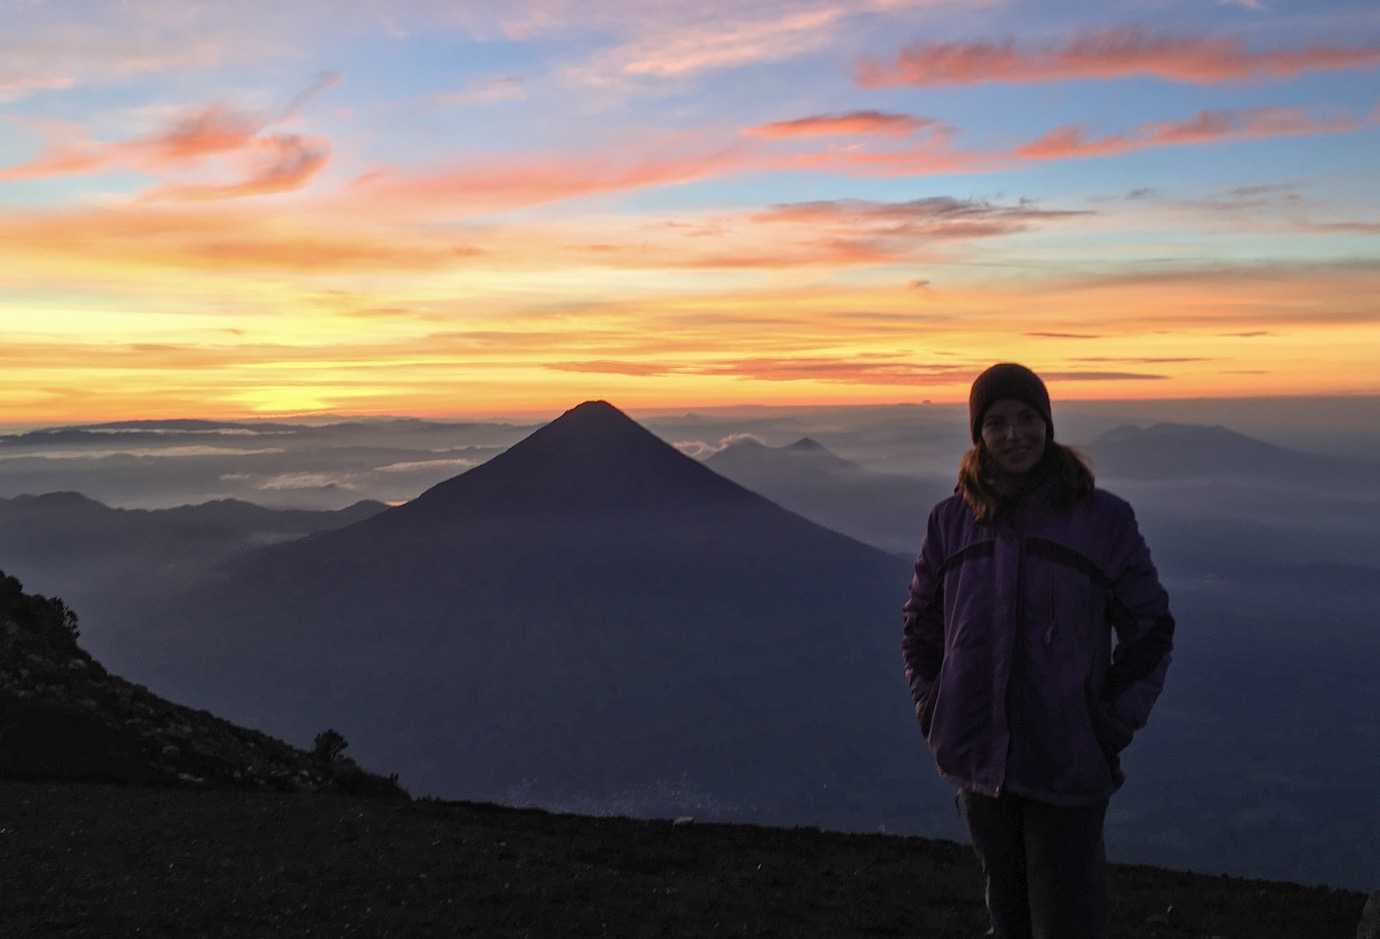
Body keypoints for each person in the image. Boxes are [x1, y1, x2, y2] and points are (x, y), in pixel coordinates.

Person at [901, 363, 1174, 939]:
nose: (1013, 434)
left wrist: (1106, 724)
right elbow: (920, 627)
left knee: (1068, 920)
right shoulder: (952, 522)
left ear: (1048, 425)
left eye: (1027, 418)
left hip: (1067, 759)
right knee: (1008, 916)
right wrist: (935, 708)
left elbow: (1150, 627)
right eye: (996, 423)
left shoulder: (1103, 521)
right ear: (979, 436)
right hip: (979, 763)